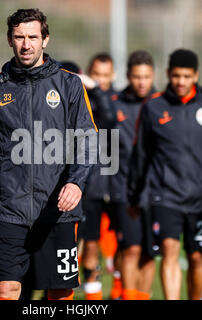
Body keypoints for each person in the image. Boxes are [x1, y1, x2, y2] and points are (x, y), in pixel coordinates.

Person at [0, 8, 97, 301]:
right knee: (7, 289)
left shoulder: (69, 84)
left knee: (60, 291)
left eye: (33, 37)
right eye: (19, 37)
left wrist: (75, 182)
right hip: (8, 211)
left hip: (57, 214)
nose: (26, 44)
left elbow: (88, 141)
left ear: (45, 39)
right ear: (10, 40)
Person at [128, 49, 202, 300]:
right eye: (176, 75)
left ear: (196, 76)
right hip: (164, 196)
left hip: (201, 198)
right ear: (169, 74)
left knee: (196, 259)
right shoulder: (154, 107)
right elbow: (141, 154)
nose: (181, 81)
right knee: (170, 251)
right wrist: (135, 194)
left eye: (187, 76)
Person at [109, 50, 158, 300]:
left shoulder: (162, 104)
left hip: (158, 192)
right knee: (131, 249)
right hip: (124, 190)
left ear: (153, 76)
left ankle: (142, 296)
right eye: (137, 76)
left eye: (147, 77)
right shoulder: (115, 104)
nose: (142, 82)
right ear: (128, 76)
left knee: (150, 254)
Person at [77, 53, 119, 300]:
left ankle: (116, 294)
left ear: (113, 75)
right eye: (96, 75)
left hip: (113, 185)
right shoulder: (81, 99)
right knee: (85, 246)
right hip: (88, 185)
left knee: (118, 247)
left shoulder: (116, 100)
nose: (100, 80)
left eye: (105, 75)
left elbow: (111, 121)